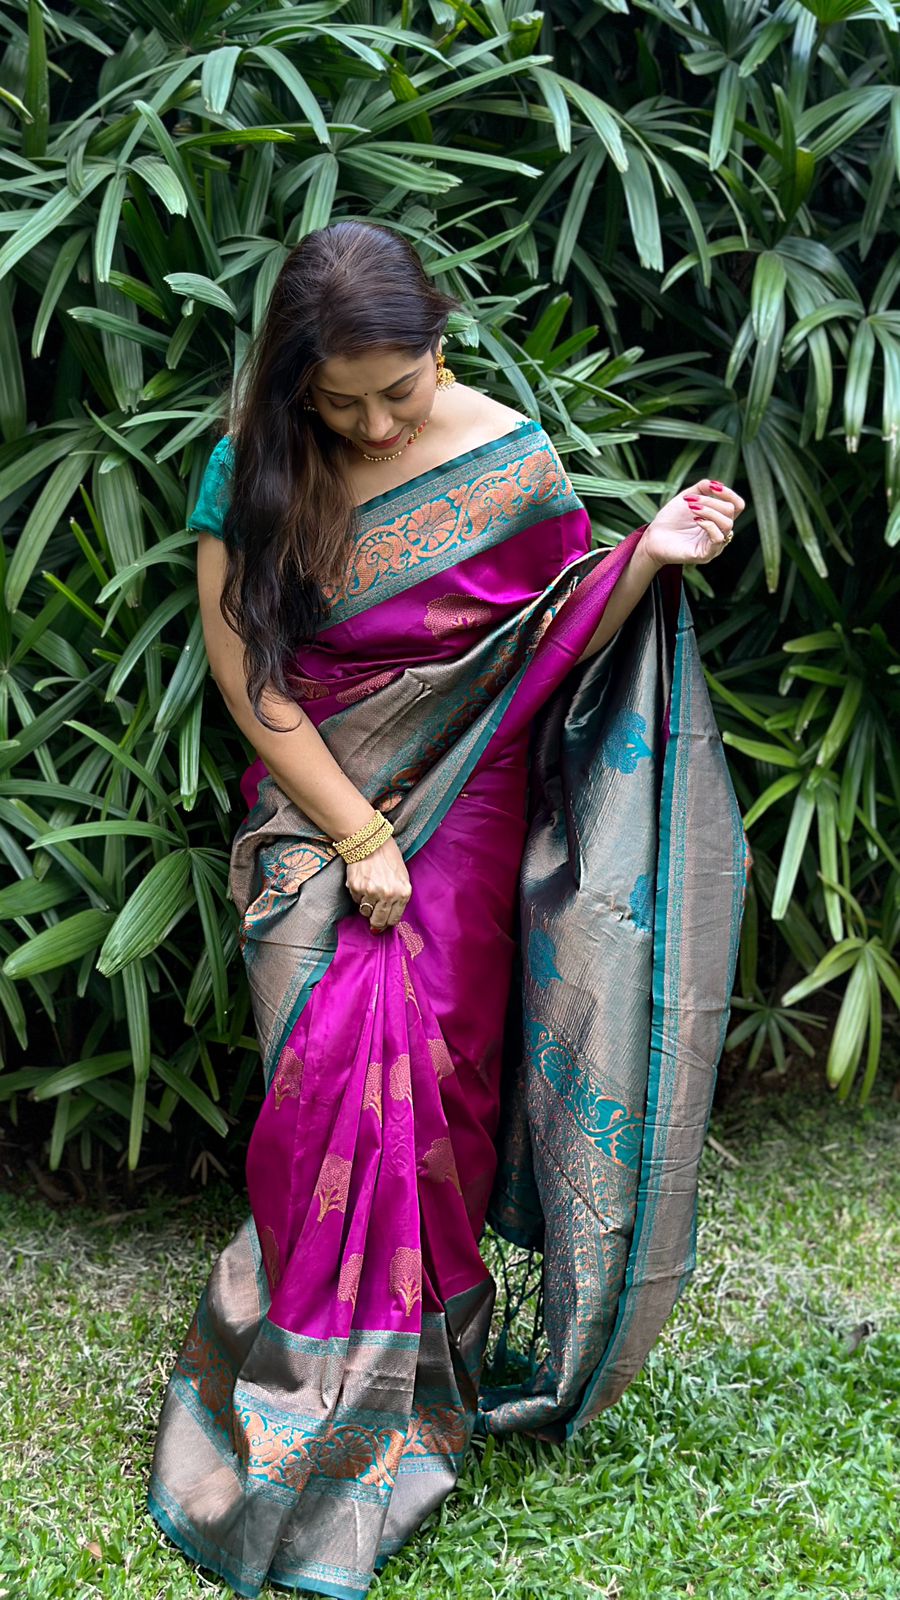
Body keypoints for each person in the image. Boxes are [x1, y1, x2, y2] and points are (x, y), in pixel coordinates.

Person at [147, 219, 748, 1599]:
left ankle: (426, 1387)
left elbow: (551, 632)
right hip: (312, 813)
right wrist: (355, 829)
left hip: (466, 812)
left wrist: (646, 556)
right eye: (336, 399)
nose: (366, 422)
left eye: (394, 393)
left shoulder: (513, 461)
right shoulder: (252, 467)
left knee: (445, 1082)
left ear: (441, 349)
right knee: (320, 1090)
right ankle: (299, 1387)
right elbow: (253, 680)